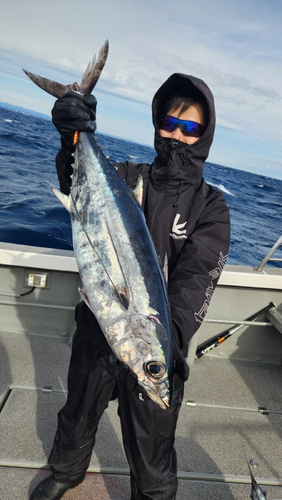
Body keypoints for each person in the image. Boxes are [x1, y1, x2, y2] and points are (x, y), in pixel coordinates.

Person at [30, 73, 230, 500]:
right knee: (78, 412)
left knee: (153, 443)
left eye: (190, 127)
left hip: (156, 344)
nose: (177, 134)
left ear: (204, 135)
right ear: (157, 123)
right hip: (98, 330)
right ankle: (66, 470)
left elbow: (197, 276)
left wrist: (164, 346)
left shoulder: (211, 206)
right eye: (169, 123)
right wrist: (72, 138)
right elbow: (75, 186)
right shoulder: (125, 175)